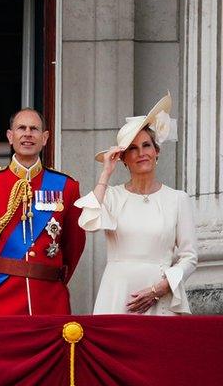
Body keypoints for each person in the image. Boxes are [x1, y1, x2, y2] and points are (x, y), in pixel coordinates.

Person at [74, 93, 197, 314]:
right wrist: (105, 173)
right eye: (132, 148)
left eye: (146, 146)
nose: (141, 153)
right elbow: (87, 222)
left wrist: (161, 288)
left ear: (156, 152)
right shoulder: (111, 196)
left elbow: (189, 257)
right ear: (123, 158)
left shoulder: (178, 199)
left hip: (161, 295)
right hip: (117, 292)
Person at [0, 108, 85, 315]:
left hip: (50, 300)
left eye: (34, 129)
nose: (27, 133)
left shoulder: (66, 186)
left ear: (45, 138)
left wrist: (49, 275)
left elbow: (74, 244)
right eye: (21, 128)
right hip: (2, 298)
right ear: (10, 136)